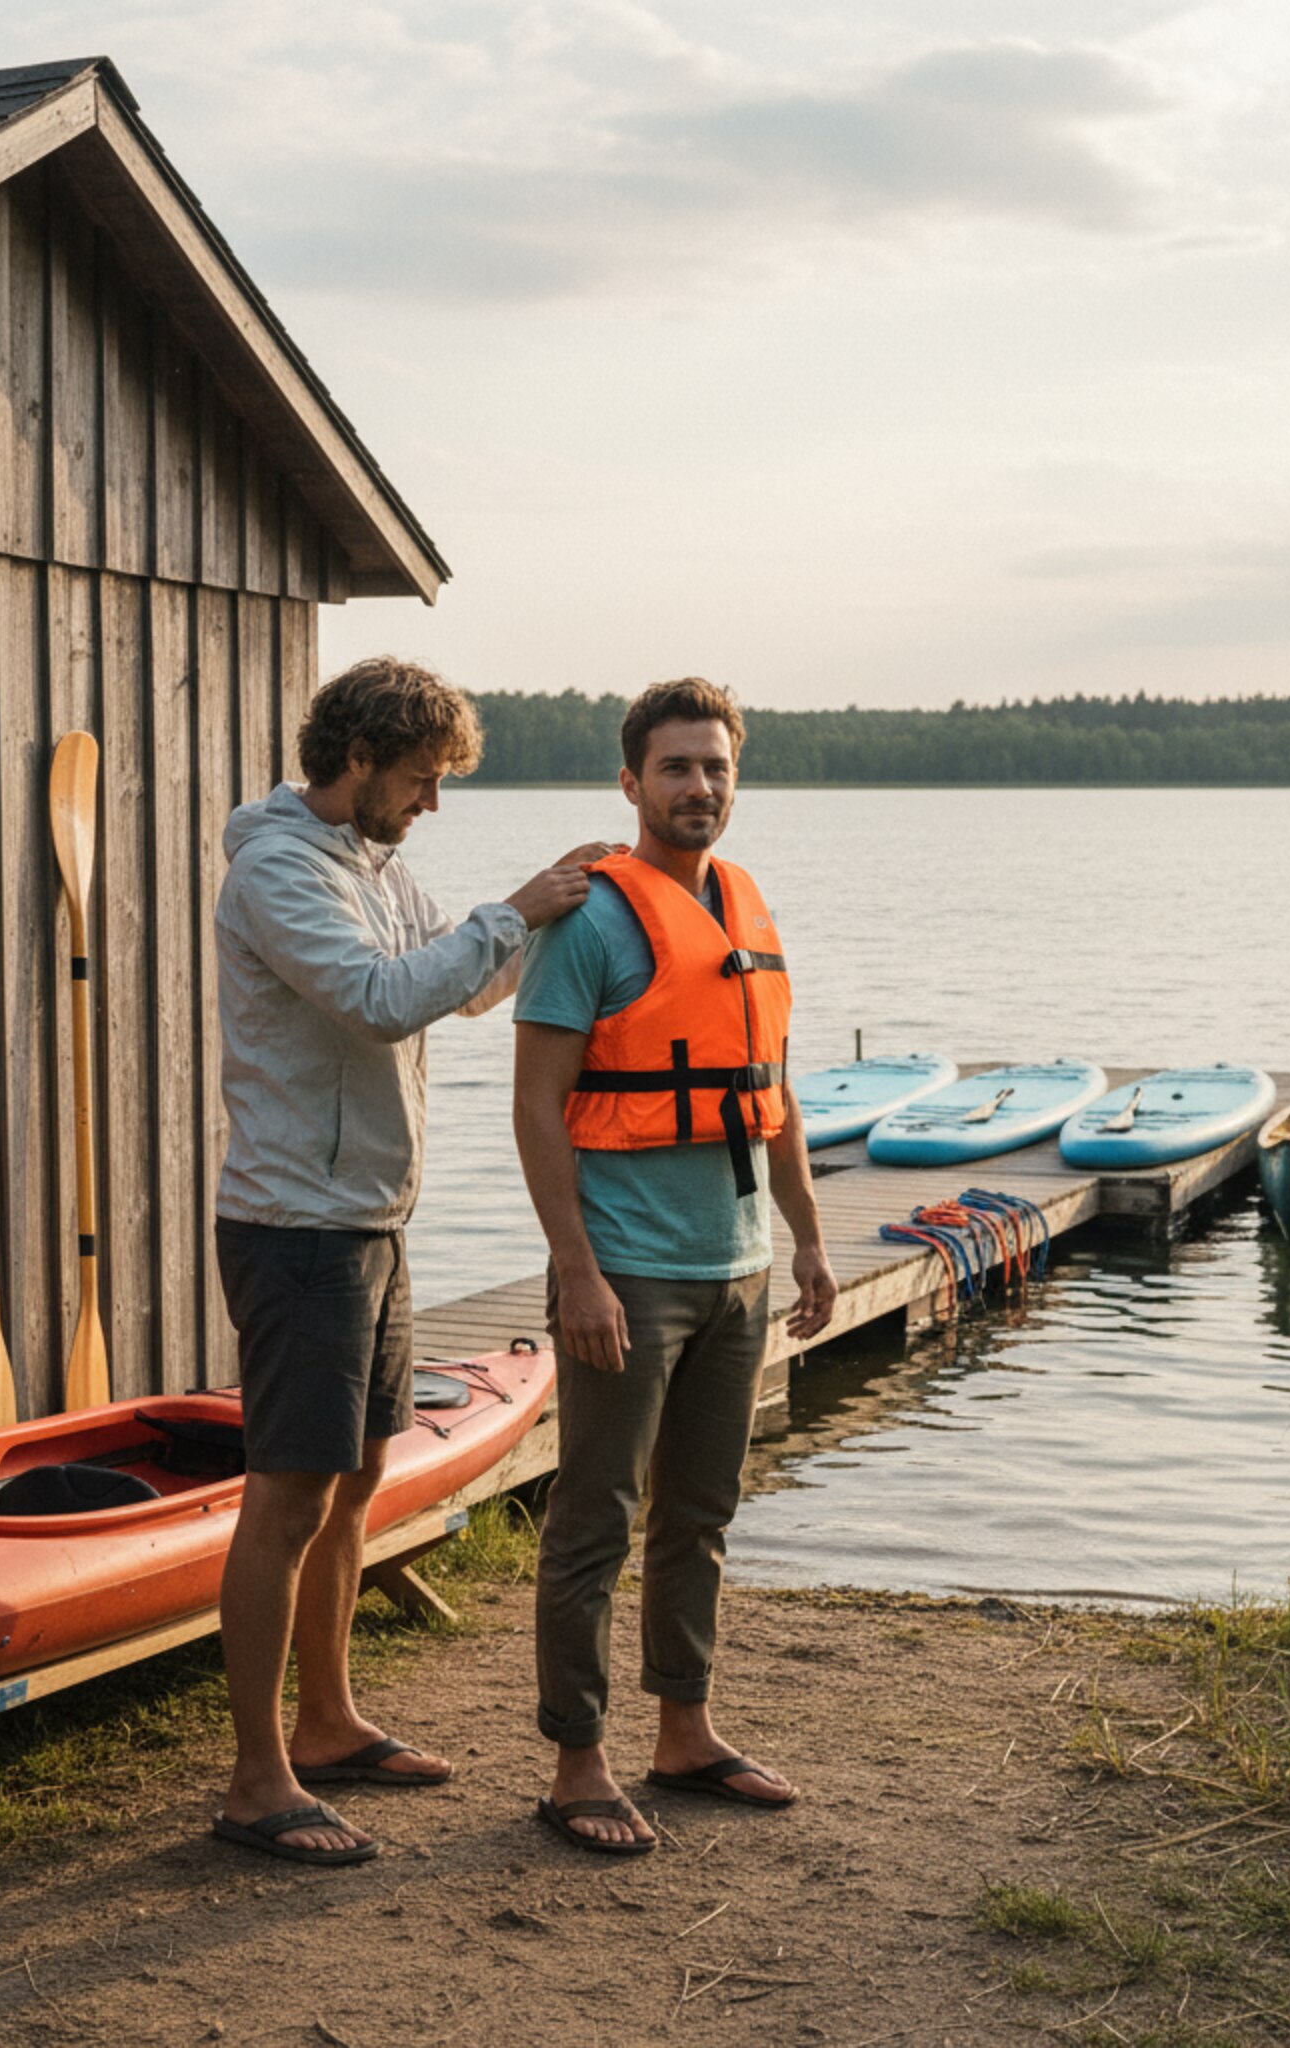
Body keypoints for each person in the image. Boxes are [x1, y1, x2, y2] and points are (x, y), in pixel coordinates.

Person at [210, 656, 605, 1865]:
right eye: (422, 781)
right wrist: (515, 910)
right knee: (285, 1494)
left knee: (351, 1484)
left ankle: (325, 1723)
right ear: (363, 757)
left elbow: (466, 986)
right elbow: (380, 1000)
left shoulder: (377, 867)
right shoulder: (277, 868)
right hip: (294, 1227)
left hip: (369, 1219)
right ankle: (254, 1777)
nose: (430, 804)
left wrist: (585, 917)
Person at [513, 676, 838, 1854]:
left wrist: (805, 1238)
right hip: (628, 1274)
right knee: (594, 1515)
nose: (697, 786)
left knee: (699, 1512)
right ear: (629, 781)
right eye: (674, 767)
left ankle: (684, 1733)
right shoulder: (588, 920)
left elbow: (775, 1095)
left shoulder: (747, 907)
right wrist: (578, 1271)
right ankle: (575, 1760)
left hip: (739, 1267)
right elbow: (537, 1110)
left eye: (715, 766)